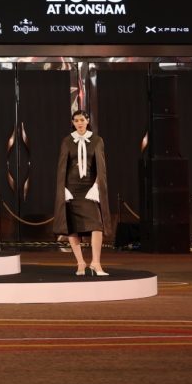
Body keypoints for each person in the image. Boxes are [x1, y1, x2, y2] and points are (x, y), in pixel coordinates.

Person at [54, 110, 114, 276]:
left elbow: (101, 167)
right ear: (73, 123)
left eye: (82, 120)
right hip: (71, 188)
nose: (79, 123)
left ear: (87, 121)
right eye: (76, 120)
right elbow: (62, 167)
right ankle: (80, 263)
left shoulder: (97, 140)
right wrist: (63, 189)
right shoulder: (67, 141)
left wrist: (96, 186)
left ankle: (96, 263)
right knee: (72, 227)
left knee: (97, 225)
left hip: (89, 189)